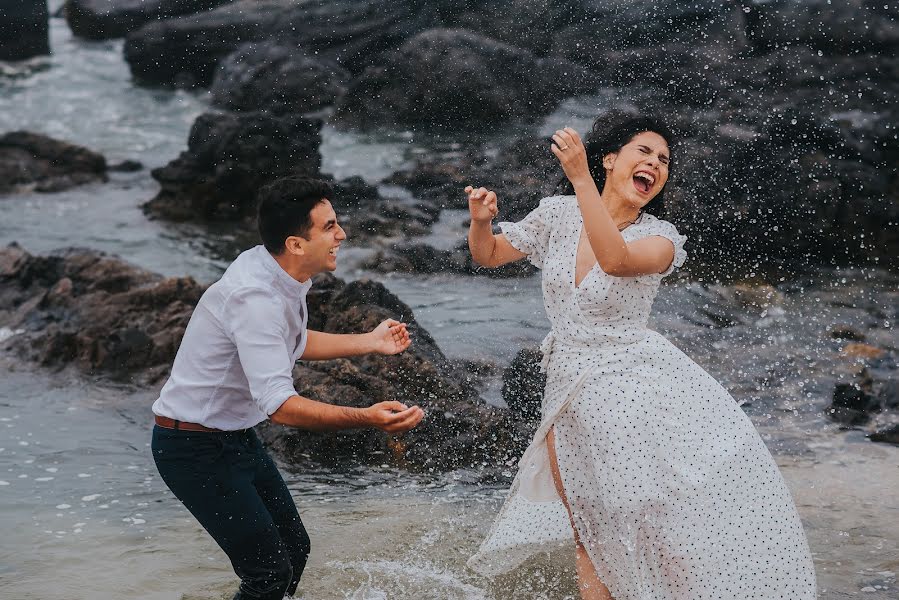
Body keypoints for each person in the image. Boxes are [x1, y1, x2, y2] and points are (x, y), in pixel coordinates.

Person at [465, 114, 816, 599]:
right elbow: (488, 256)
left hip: (631, 387)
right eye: (644, 152)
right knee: (587, 533)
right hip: (565, 389)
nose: (654, 163)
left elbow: (616, 260)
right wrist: (481, 221)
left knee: (650, 528)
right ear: (612, 159)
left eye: (664, 160)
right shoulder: (557, 215)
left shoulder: (662, 239)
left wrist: (581, 177)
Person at [151, 177, 425, 600]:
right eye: (330, 226)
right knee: (268, 573)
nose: (342, 235)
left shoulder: (274, 268)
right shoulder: (256, 298)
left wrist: (369, 341)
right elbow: (280, 406)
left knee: (294, 551)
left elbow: (291, 341)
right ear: (297, 244)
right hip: (192, 448)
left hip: (234, 437)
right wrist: (366, 418)